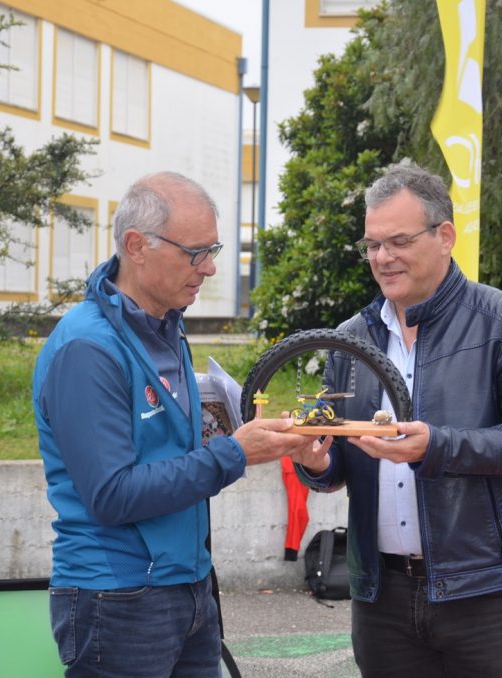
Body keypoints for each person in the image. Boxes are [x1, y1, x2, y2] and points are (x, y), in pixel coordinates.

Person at [33, 172, 313, 677]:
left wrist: (252, 438)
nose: (209, 268)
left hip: (187, 584)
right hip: (118, 595)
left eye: (213, 250)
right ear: (136, 246)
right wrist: (234, 453)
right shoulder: (87, 348)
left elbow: (169, 451)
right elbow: (112, 494)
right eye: (195, 253)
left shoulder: (166, 325)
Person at [293, 162, 502, 677]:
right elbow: (337, 462)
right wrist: (316, 461)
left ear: (445, 237)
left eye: (398, 241)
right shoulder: (350, 338)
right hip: (381, 597)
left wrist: (436, 447)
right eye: (372, 244)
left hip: (483, 592)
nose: (382, 257)